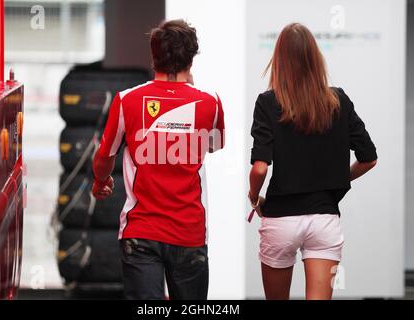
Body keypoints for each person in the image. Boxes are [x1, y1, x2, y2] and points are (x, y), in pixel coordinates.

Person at [92, 19, 225, 300]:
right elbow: (214, 145)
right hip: (189, 234)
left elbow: (104, 157)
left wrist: (101, 181)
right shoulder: (210, 102)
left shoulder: (127, 100)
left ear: (154, 57)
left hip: (140, 233)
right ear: (191, 57)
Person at [248, 23, 377, 300]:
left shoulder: (268, 103)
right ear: (314, 58)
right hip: (324, 219)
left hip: (281, 218)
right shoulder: (338, 100)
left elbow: (260, 167)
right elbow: (369, 158)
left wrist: (253, 196)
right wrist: (339, 179)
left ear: (279, 60)